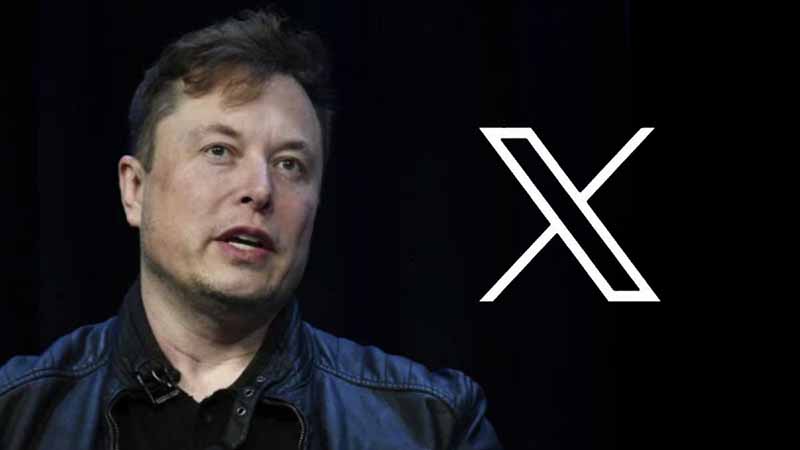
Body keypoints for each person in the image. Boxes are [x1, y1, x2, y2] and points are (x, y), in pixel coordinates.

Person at [0, 8, 502, 450]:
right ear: (135, 188)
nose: (260, 189)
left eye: (289, 164)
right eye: (220, 151)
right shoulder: (15, 414)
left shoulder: (432, 425)